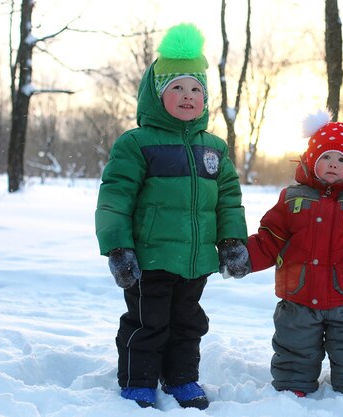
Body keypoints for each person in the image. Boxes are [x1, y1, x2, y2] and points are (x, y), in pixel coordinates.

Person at [95, 23, 249, 409]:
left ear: (205, 98)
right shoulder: (137, 144)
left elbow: (229, 199)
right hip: (150, 258)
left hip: (195, 260)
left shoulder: (214, 147)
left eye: (196, 89)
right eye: (177, 88)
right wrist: (118, 247)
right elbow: (115, 198)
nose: (187, 96)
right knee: (148, 323)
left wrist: (232, 242)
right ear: (157, 94)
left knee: (188, 324)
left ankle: (182, 379)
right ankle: (138, 381)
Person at [234, 109, 343, 396]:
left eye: (341, 159)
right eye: (325, 156)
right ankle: (292, 390)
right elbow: (271, 236)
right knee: (294, 344)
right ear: (312, 159)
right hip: (299, 293)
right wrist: (246, 258)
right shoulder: (292, 198)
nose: (333, 164)